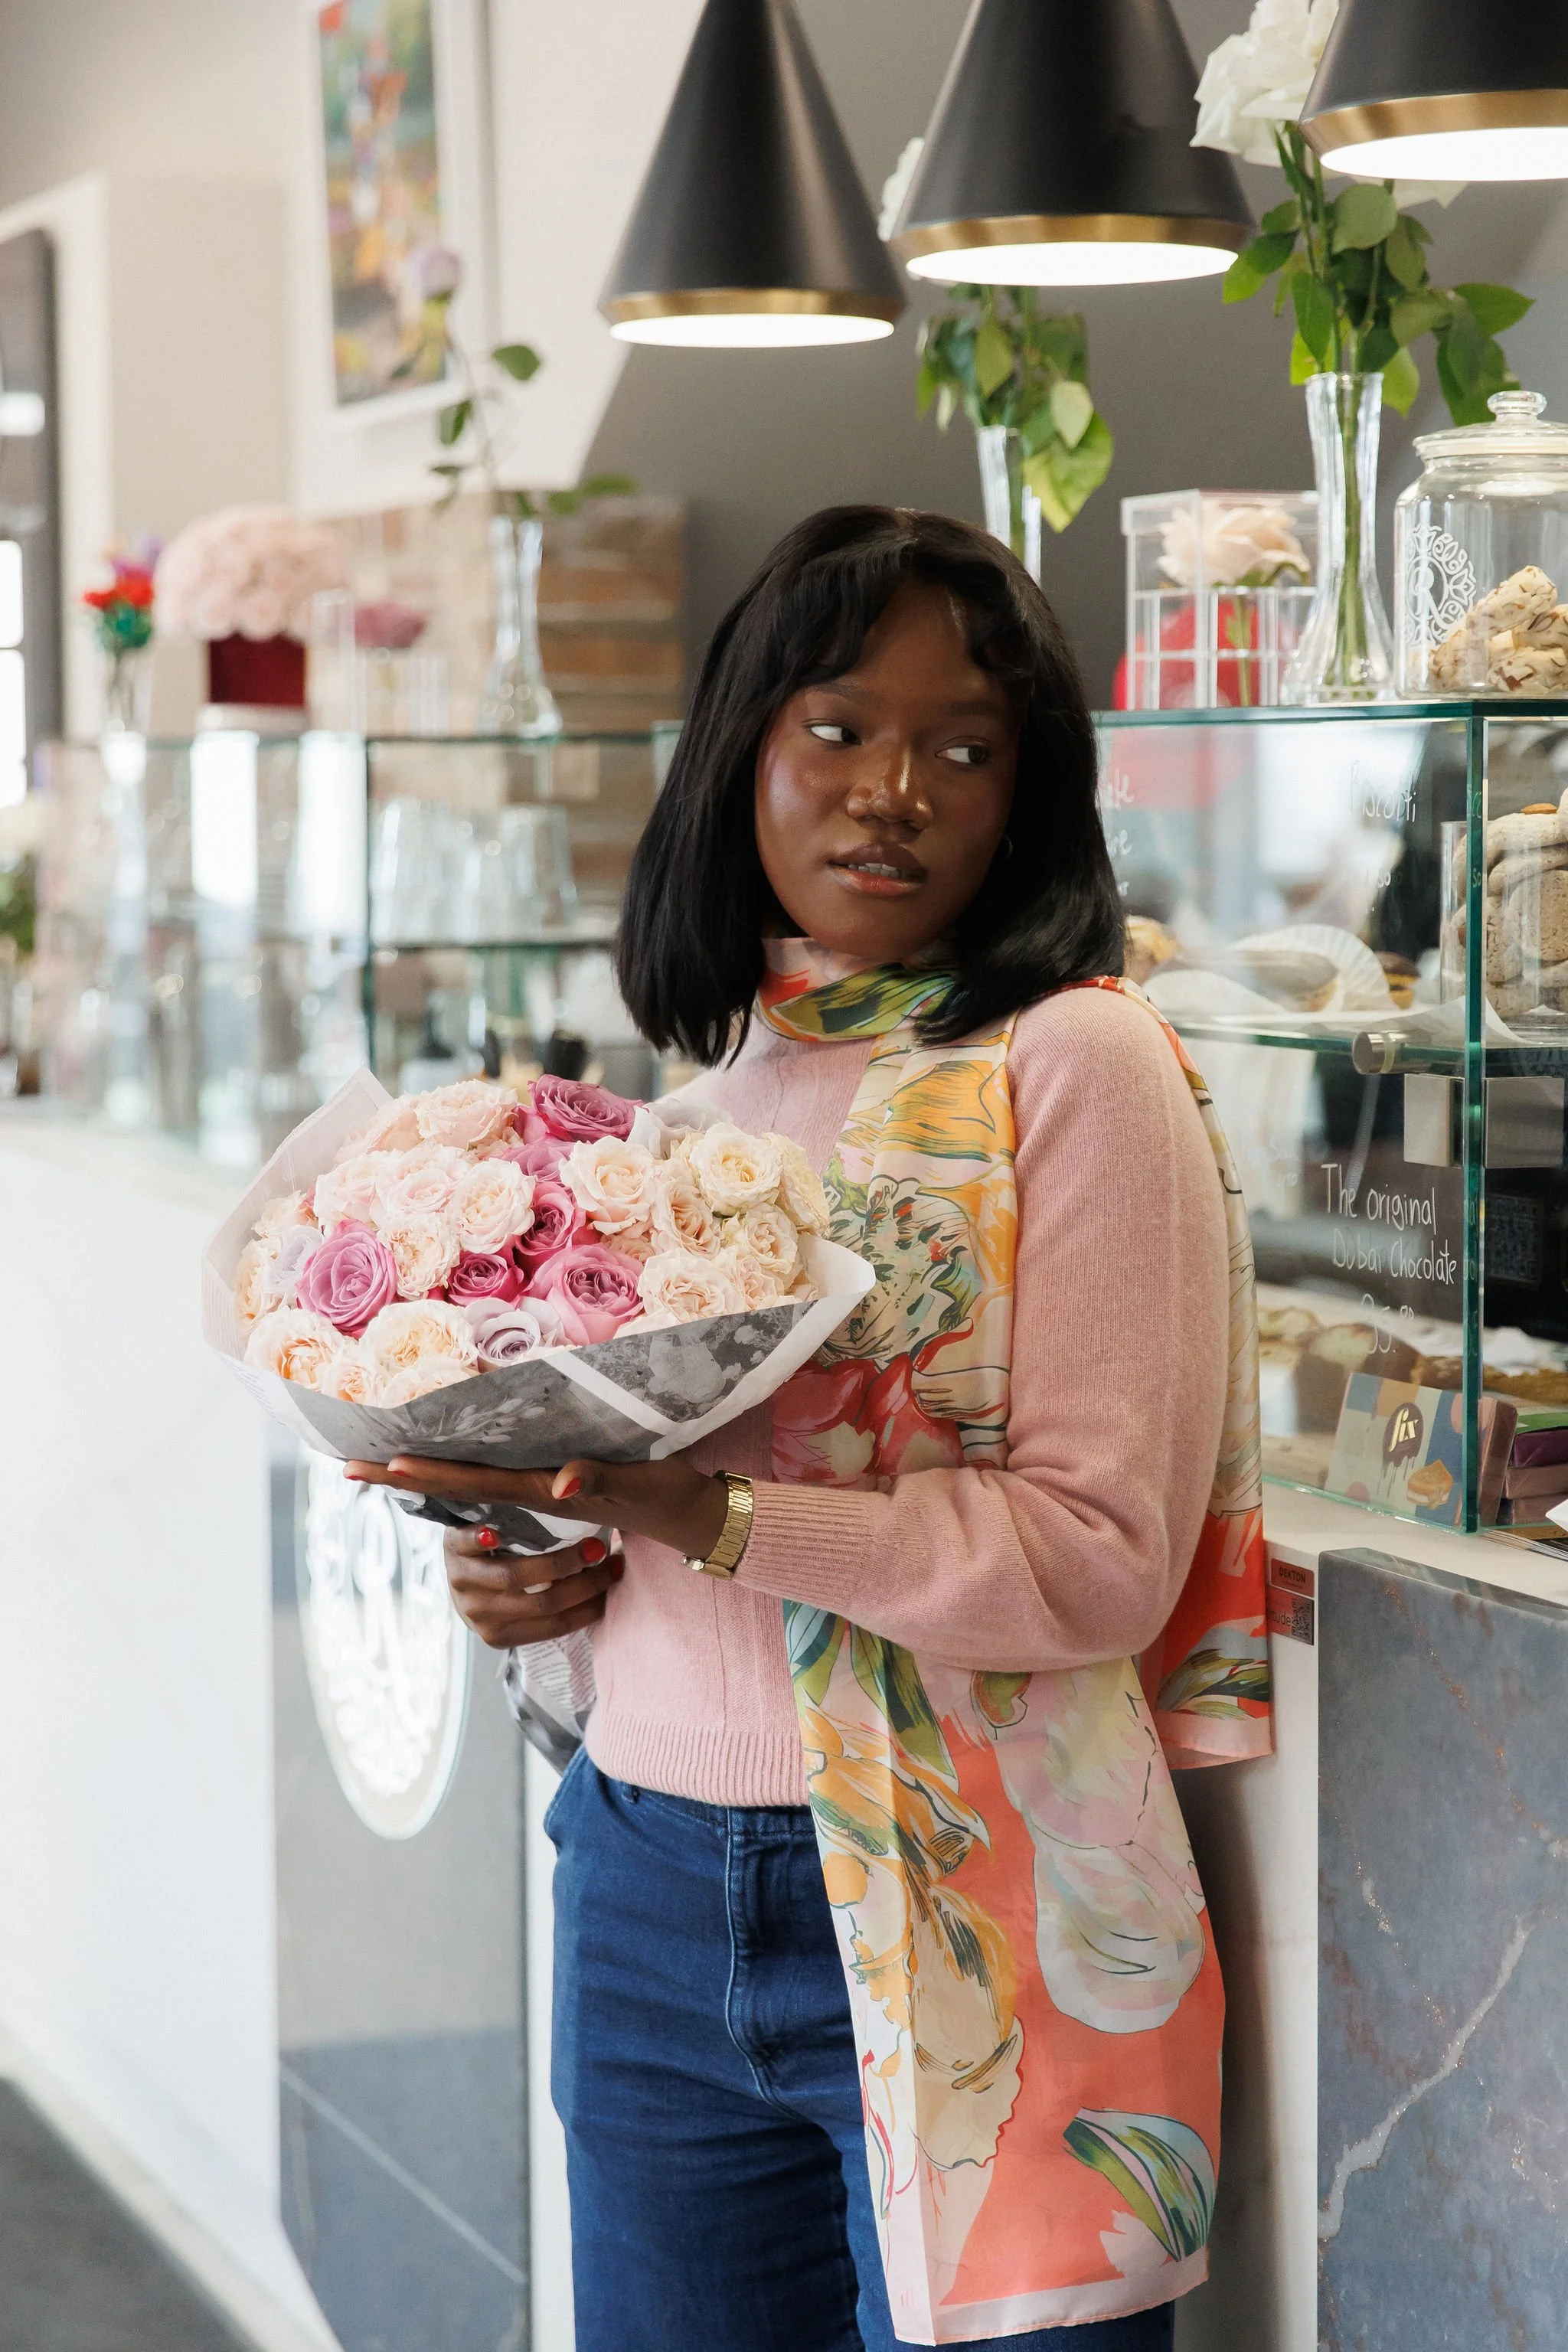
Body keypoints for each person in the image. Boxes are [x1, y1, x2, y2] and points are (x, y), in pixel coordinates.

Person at [348, 507, 1269, 2352]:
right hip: (646, 1881)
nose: (894, 791)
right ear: (741, 754)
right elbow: (671, 1524)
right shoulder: (692, 1115)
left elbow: (1098, 1558)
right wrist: (544, 1566)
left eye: (963, 745)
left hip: (980, 1893)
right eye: (838, 728)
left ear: (1029, 793)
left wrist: (718, 1519)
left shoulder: (1073, 1063)